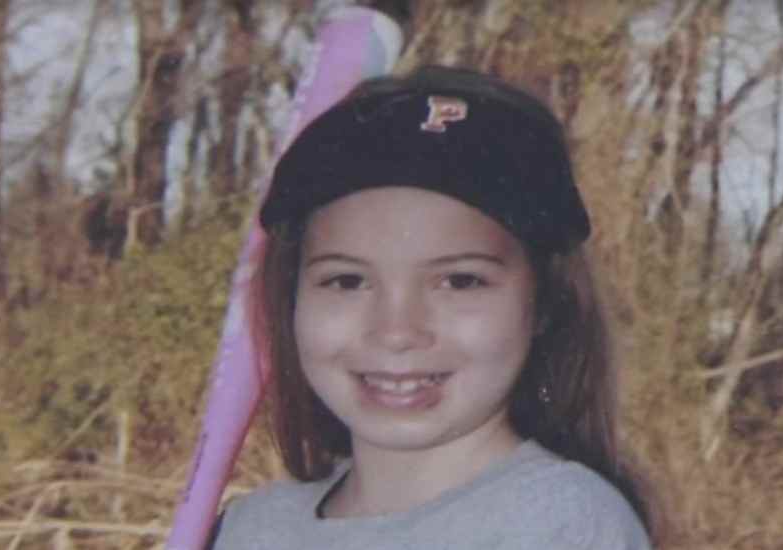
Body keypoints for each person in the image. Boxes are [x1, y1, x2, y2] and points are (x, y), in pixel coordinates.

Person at [209, 65, 654, 549]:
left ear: (545, 302)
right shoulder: (250, 528)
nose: (396, 331)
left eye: (460, 281)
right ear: (292, 299)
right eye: (347, 280)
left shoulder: (562, 525)